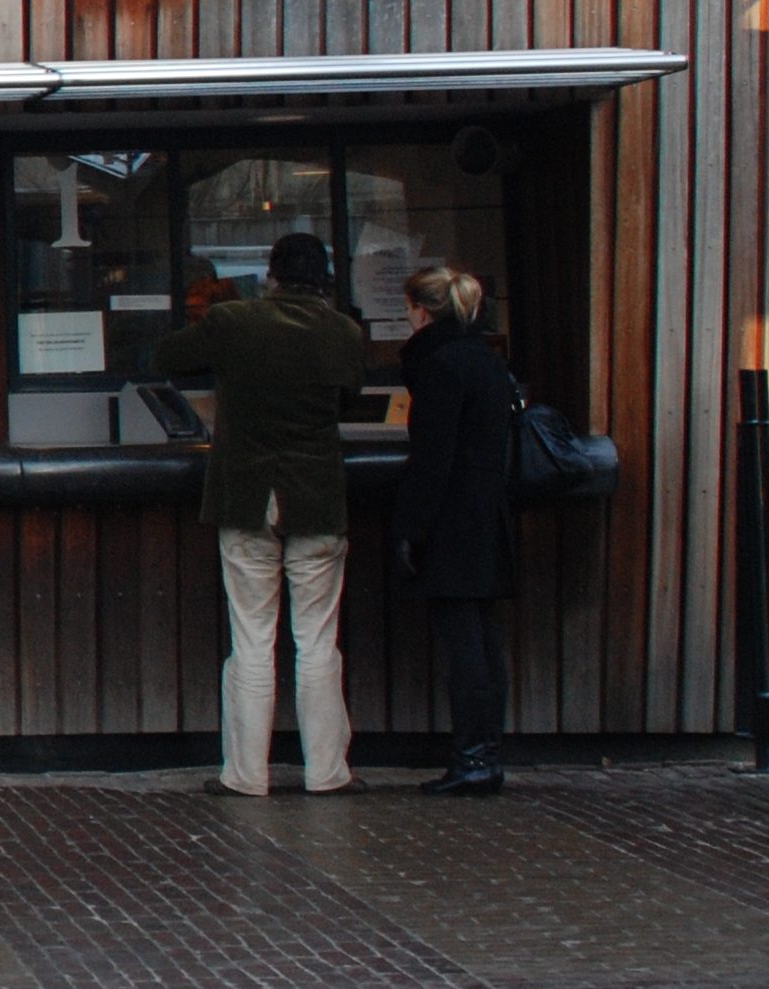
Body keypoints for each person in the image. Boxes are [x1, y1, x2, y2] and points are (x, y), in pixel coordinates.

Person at [145, 230, 366, 796]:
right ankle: (327, 773)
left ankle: (246, 775)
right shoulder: (343, 331)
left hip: (246, 495)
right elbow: (346, 400)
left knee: (252, 639)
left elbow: (167, 356)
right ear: (323, 280)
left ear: (271, 274)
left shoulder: (234, 321)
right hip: (315, 497)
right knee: (316, 642)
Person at [392, 263, 517, 797]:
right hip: (488, 512)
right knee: (483, 641)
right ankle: (484, 752)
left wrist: (411, 529)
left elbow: (432, 461)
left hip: (454, 519)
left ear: (421, 310)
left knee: (464, 643)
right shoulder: (486, 361)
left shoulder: (438, 367)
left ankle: (473, 759)